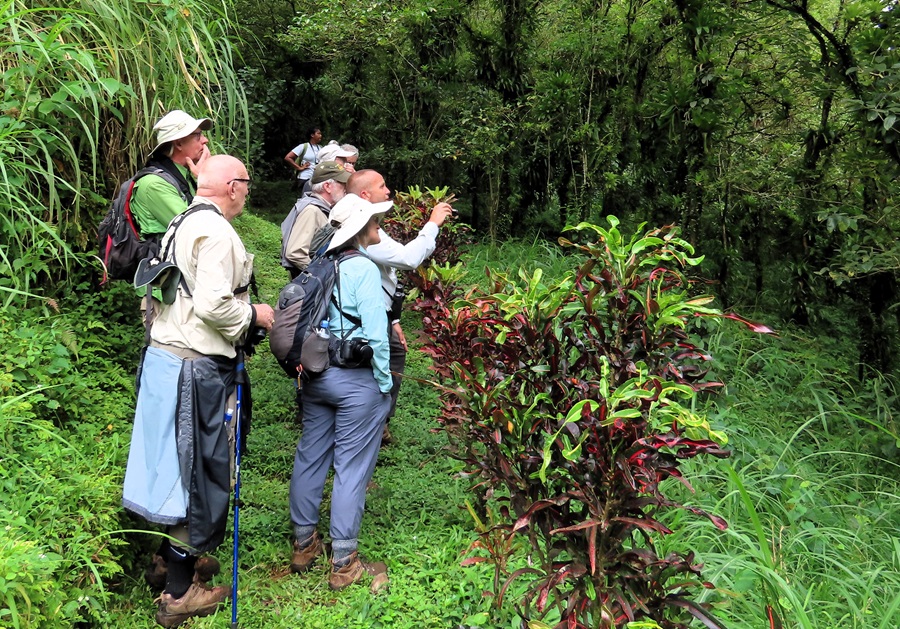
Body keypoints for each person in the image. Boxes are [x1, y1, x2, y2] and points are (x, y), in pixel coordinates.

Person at [122, 155, 275, 628]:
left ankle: (169, 560)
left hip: (166, 359)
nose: (248, 191)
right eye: (246, 183)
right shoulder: (218, 235)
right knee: (202, 470)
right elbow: (213, 306)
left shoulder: (181, 220)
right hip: (197, 370)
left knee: (172, 463)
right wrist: (255, 317)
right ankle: (180, 592)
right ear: (231, 185)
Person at [288, 193, 394, 590]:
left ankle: (303, 544)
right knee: (351, 467)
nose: (378, 228)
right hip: (355, 381)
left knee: (311, 455)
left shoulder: (321, 263)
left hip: (316, 375)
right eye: (374, 223)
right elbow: (376, 335)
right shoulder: (362, 268)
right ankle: (344, 561)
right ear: (359, 230)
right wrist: (384, 383)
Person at [344, 169, 453, 441]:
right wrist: (433, 224)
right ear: (365, 194)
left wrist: (394, 320)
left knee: (395, 352)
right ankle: (372, 422)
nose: (388, 190)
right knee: (376, 360)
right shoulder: (361, 230)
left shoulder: (368, 221)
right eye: (382, 185)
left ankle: (380, 421)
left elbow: (387, 275)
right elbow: (407, 258)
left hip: (379, 310)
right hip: (363, 314)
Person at [131, 110, 213, 239]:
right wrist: (206, 182)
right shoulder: (155, 184)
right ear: (179, 143)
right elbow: (199, 231)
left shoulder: (184, 176)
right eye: (198, 135)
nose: (205, 140)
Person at [281, 161, 351, 277]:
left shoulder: (321, 208)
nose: (345, 188)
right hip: (308, 287)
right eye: (342, 183)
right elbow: (295, 253)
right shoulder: (311, 210)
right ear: (327, 187)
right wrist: (320, 274)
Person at [284, 126, 322, 192]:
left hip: (316, 179)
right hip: (305, 178)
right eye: (318, 133)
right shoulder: (304, 146)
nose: (320, 135)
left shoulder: (321, 148)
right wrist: (299, 168)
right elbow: (288, 157)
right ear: (312, 135)